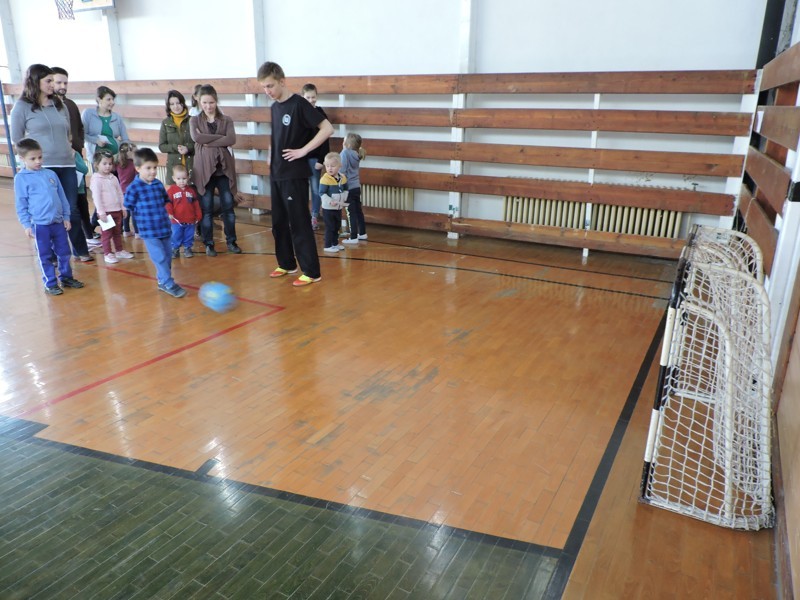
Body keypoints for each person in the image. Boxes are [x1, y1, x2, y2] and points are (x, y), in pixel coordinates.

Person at [257, 61, 333, 287]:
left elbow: (327, 129)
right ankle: (287, 263)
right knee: (278, 223)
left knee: (299, 222)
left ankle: (311, 271)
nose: (267, 91)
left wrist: (304, 150)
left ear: (282, 81)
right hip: (277, 173)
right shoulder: (274, 107)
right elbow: (277, 136)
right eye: (263, 87)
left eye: (270, 86)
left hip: (294, 174)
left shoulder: (299, 104)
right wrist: (270, 154)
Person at [10, 63, 92, 262]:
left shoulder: (59, 104)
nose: (52, 85)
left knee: (71, 209)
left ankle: (80, 250)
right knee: (49, 210)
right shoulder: (22, 107)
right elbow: (17, 139)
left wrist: (69, 149)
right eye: (48, 81)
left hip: (67, 164)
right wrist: (30, 161)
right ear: (35, 82)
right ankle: (51, 253)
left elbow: (68, 132)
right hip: (43, 167)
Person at [14, 138, 85, 295]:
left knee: (64, 252)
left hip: (58, 223)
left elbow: (62, 197)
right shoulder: (21, 178)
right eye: (33, 158)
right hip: (40, 225)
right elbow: (21, 204)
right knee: (45, 256)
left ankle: (66, 277)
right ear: (22, 159)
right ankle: (50, 283)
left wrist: (66, 216)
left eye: (40, 157)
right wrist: (26, 225)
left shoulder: (50, 174)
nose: (38, 161)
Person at [123, 147, 186, 298]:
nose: (153, 171)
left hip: (164, 228)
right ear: (138, 168)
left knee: (167, 257)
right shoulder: (134, 187)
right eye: (148, 168)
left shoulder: (158, 184)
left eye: (155, 167)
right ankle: (168, 283)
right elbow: (128, 205)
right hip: (149, 231)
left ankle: (162, 281)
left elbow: (166, 201)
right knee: (160, 257)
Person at [189, 84, 240, 256]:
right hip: (204, 171)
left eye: (211, 102)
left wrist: (209, 141)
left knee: (228, 208)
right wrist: (221, 138)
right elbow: (197, 137)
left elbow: (231, 139)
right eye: (204, 102)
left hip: (224, 171)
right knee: (207, 209)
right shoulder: (194, 120)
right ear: (199, 102)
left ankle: (231, 241)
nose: (208, 106)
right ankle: (209, 244)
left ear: (216, 101)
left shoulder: (227, 120)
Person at [90, 150, 133, 264]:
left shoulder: (113, 178)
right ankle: (107, 253)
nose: (108, 166)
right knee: (107, 234)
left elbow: (120, 193)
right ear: (96, 164)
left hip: (117, 210)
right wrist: (101, 212)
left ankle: (119, 250)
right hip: (106, 213)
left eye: (110, 163)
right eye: (104, 163)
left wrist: (123, 207)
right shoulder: (96, 180)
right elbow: (97, 198)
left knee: (117, 233)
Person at [301, 83, 330, 231]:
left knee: (315, 188)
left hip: (314, 159)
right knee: (301, 189)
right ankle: (302, 217)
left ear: (317, 97)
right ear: (303, 97)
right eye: (308, 97)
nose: (311, 100)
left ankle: (314, 216)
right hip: (300, 158)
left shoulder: (319, 113)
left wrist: (321, 159)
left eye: (313, 97)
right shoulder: (299, 114)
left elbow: (325, 138)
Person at [82, 85, 129, 163]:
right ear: (99, 100)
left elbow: (125, 139)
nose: (112, 102)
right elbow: (82, 134)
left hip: (115, 159)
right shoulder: (88, 113)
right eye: (108, 99)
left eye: (113, 99)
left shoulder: (117, 117)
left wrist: (123, 152)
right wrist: (96, 141)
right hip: (96, 160)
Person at [159, 90, 194, 185]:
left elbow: (199, 144)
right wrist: (175, 147)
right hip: (174, 169)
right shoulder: (165, 123)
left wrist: (188, 148)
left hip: (191, 166)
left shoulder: (192, 120)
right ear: (168, 106)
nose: (176, 106)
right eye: (172, 104)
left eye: (178, 103)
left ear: (183, 103)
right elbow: (162, 146)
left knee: (192, 194)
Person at [165, 164, 201, 258]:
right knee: (176, 235)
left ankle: (187, 248)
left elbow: (196, 204)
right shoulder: (171, 191)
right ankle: (175, 249)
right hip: (176, 220)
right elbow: (168, 203)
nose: (182, 181)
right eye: (179, 179)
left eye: (184, 178)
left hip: (190, 219)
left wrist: (198, 215)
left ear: (188, 178)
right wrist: (169, 212)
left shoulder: (191, 191)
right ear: (174, 178)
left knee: (189, 235)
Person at [340, 133, 368, 244]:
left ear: (347, 144)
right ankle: (362, 233)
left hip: (348, 188)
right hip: (356, 187)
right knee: (358, 211)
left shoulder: (345, 153)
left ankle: (353, 237)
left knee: (350, 212)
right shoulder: (356, 153)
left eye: (344, 141)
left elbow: (342, 171)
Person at [319, 152, 349, 253]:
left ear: (340, 166)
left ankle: (335, 243)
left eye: (332, 166)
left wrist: (344, 197)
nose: (330, 168)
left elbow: (346, 189)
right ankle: (327, 245)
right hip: (328, 209)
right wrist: (330, 201)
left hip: (338, 208)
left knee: (337, 226)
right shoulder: (325, 179)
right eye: (327, 166)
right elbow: (321, 193)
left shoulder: (343, 178)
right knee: (330, 227)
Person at [51, 67, 84, 154]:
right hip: (57, 154)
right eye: (59, 83)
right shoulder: (46, 106)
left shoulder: (71, 104)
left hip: (76, 153)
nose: (63, 86)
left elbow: (80, 127)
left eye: (65, 83)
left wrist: (80, 143)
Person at [74, 150, 99, 246]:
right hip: (68, 191)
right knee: (74, 216)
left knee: (84, 213)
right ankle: (78, 240)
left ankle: (89, 237)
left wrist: (73, 158)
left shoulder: (76, 154)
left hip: (80, 189)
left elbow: (84, 169)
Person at [115, 142, 138, 236]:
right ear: (129, 153)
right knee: (134, 212)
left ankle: (126, 231)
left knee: (125, 211)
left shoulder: (118, 163)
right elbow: (137, 176)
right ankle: (137, 232)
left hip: (122, 191)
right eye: (134, 152)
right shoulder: (133, 164)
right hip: (132, 191)